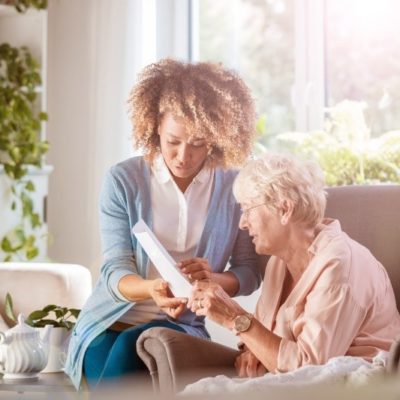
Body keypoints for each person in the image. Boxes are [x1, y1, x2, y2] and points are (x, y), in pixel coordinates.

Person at [64, 59, 264, 390]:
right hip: (109, 321)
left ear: (214, 138)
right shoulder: (123, 181)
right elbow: (114, 270)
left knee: (134, 349)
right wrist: (152, 290)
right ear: (156, 125)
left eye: (198, 143)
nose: (183, 155)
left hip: (180, 325)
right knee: (120, 359)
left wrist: (211, 279)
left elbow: (249, 272)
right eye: (174, 141)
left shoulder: (233, 187)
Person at [189, 152, 400, 378]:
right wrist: (254, 351)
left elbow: (311, 370)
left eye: (248, 209)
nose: (242, 223)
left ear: (284, 209)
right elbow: (263, 336)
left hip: (355, 385)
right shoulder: (278, 263)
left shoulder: (340, 266)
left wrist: (233, 316)